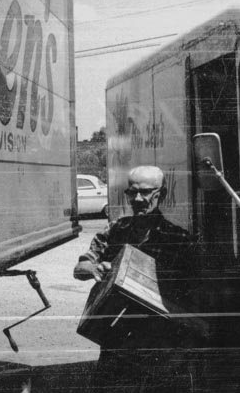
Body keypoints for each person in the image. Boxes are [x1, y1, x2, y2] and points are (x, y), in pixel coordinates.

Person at [74, 165, 201, 392]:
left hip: (162, 342)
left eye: (146, 192)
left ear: (161, 194)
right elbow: (80, 267)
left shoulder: (180, 239)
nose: (138, 199)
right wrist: (95, 268)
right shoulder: (115, 230)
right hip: (117, 337)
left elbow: (194, 297)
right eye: (132, 192)